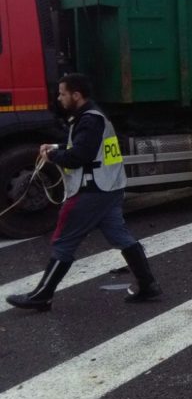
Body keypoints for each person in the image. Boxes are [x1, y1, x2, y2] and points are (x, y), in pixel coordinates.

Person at [5, 73, 161, 311]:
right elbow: (86, 146)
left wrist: (52, 156)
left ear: (76, 95)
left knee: (63, 241)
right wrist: (57, 147)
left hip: (91, 191)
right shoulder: (93, 117)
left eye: (62, 93)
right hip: (109, 189)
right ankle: (148, 285)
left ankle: (42, 296)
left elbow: (79, 157)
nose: (59, 98)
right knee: (120, 237)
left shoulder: (88, 120)